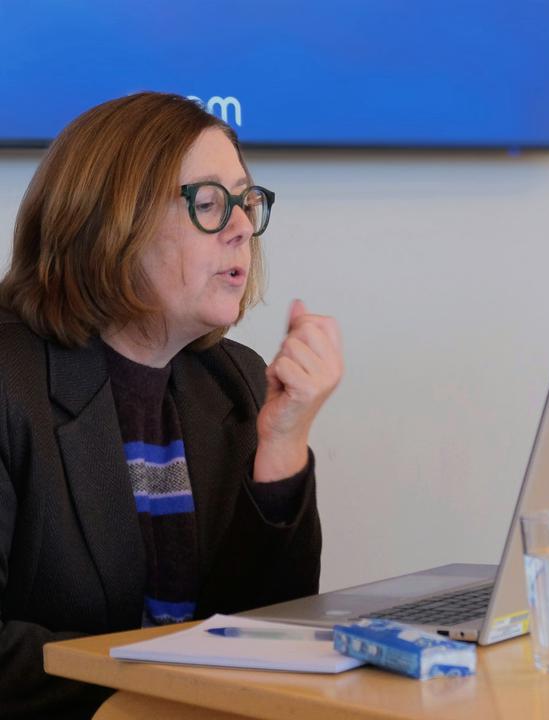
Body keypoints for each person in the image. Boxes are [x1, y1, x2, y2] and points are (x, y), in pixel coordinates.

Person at [0, 92, 343, 719]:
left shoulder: (235, 380)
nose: (242, 227)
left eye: (245, 202)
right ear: (109, 222)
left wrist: (284, 443)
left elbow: (271, 638)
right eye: (209, 204)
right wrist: (160, 687)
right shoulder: (9, 380)